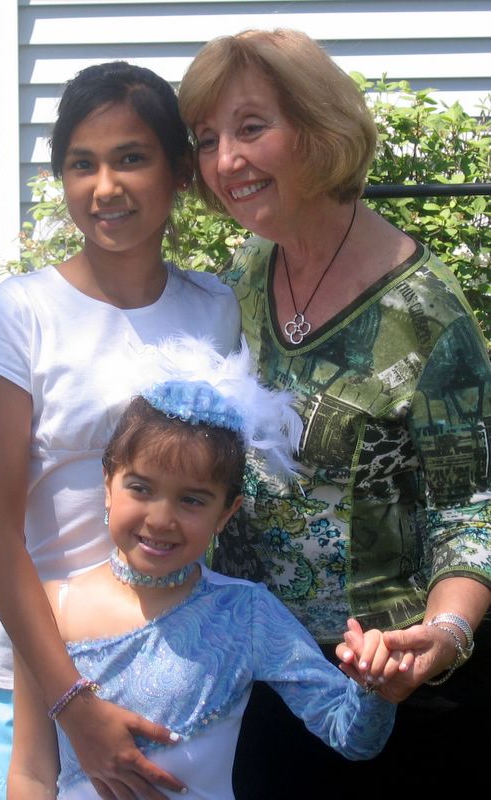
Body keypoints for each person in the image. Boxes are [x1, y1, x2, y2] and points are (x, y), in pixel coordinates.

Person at [178, 28, 491, 794]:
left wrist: (444, 634)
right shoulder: (249, 269)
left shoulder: (423, 312)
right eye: (207, 139)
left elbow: (470, 510)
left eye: (251, 128)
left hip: (389, 684)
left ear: (317, 130)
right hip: (260, 665)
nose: (225, 161)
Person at [0, 62, 241, 800]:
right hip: (23, 675)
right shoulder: (19, 312)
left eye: (131, 158)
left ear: (179, 171)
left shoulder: (215, 309)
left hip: (166, 665)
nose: (104, 187)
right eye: (81, 164)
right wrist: (70, 702)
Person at [7, 335, 397, 800]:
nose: (161, 519)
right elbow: (30, 772)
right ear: (108, 484)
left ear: (226, 513)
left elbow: (352, 737)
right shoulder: (50, 609)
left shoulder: (247, 613)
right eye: (141, 488)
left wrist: (377, 685)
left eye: (191, 499)